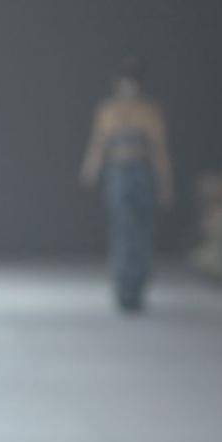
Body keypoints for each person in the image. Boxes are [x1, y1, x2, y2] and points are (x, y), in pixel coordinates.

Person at [79, 57, 174, 310]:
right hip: (118, 171)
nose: (128, 87)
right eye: (125, 82)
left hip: (141, 171)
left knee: (141, 229)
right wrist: (91, 168)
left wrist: (165, 183)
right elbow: (99, 142)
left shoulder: (149, 111)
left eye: (132, 82)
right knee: (123, 228)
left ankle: (137, 285)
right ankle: (123, 287)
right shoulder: (108, 111)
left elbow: (159, 149)